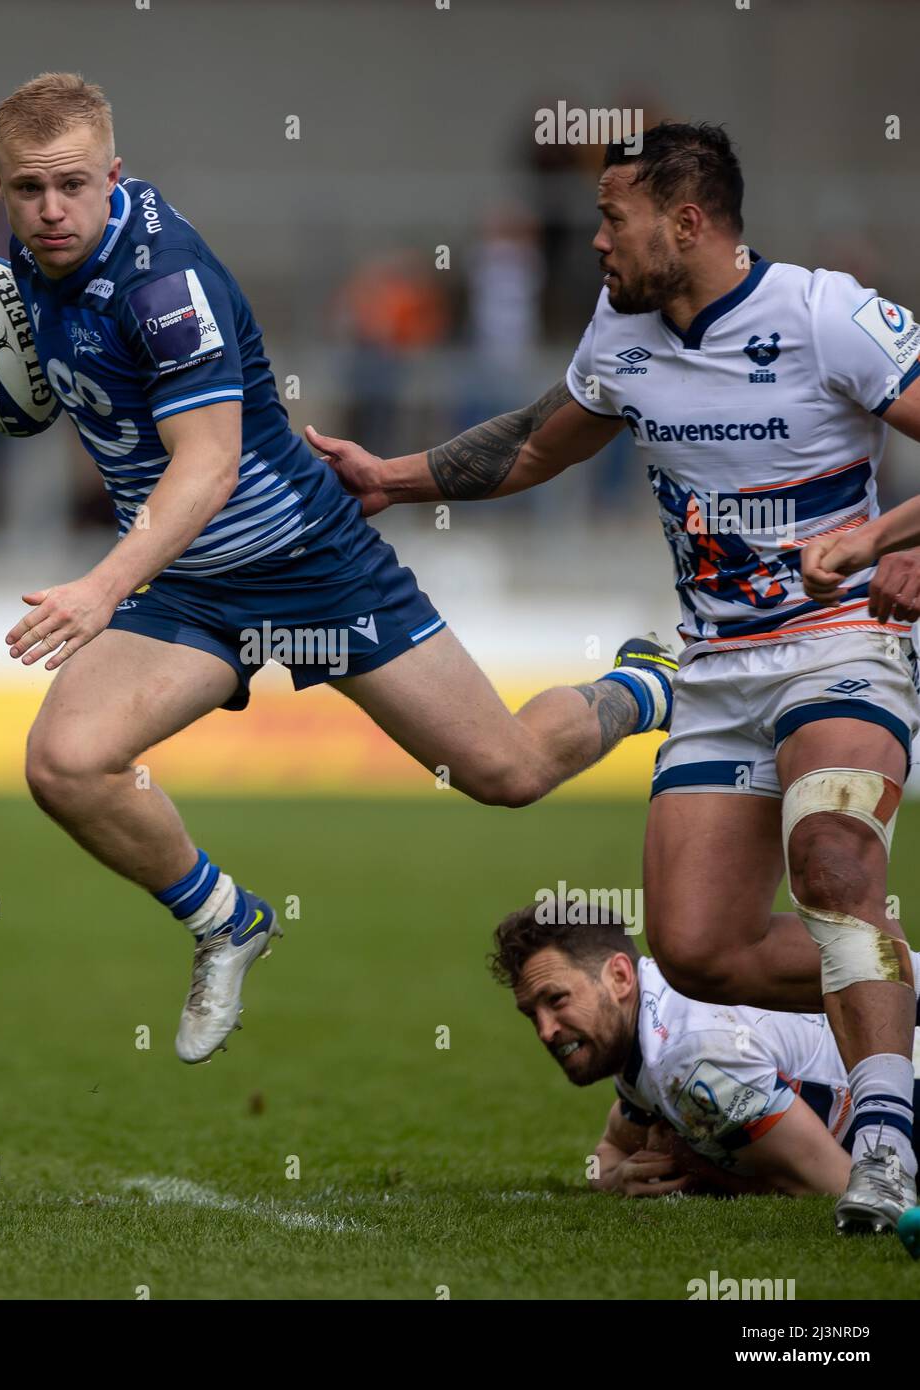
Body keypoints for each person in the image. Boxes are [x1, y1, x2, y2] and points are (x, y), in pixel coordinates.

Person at [0, 73, 674, 1067]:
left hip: (313, 566)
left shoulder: (161, 280)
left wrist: (101, 585)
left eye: (70, 185)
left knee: (508, 772)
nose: (49, 210)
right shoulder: (26, 260)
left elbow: (208, 462)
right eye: (25, 190)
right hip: (192, 586)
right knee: (63, 761)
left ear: (114, 174)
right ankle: (227, 921)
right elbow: (78, 385)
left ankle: (644, 682)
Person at [310, 121, 920, 1233]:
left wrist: (896, 539)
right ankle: (898, 982)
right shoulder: (622, 331)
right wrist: (390, 479)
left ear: (685, 222)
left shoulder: (828, 313)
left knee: (829, 860)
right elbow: (540, 441)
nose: (593, 241)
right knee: (698, 946)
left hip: (839, 640)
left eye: (611, 218)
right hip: (714, 665)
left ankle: (882, 1140)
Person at [493, 902, 920, 1205]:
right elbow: (610, 1150)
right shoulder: (650, 1027)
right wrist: (618, 1179)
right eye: (532, 1014)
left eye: (557, 1000)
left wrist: (704, 1172)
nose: (546, 1031)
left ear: (620, 977)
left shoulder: (689, 1057)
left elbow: (840, 1184)